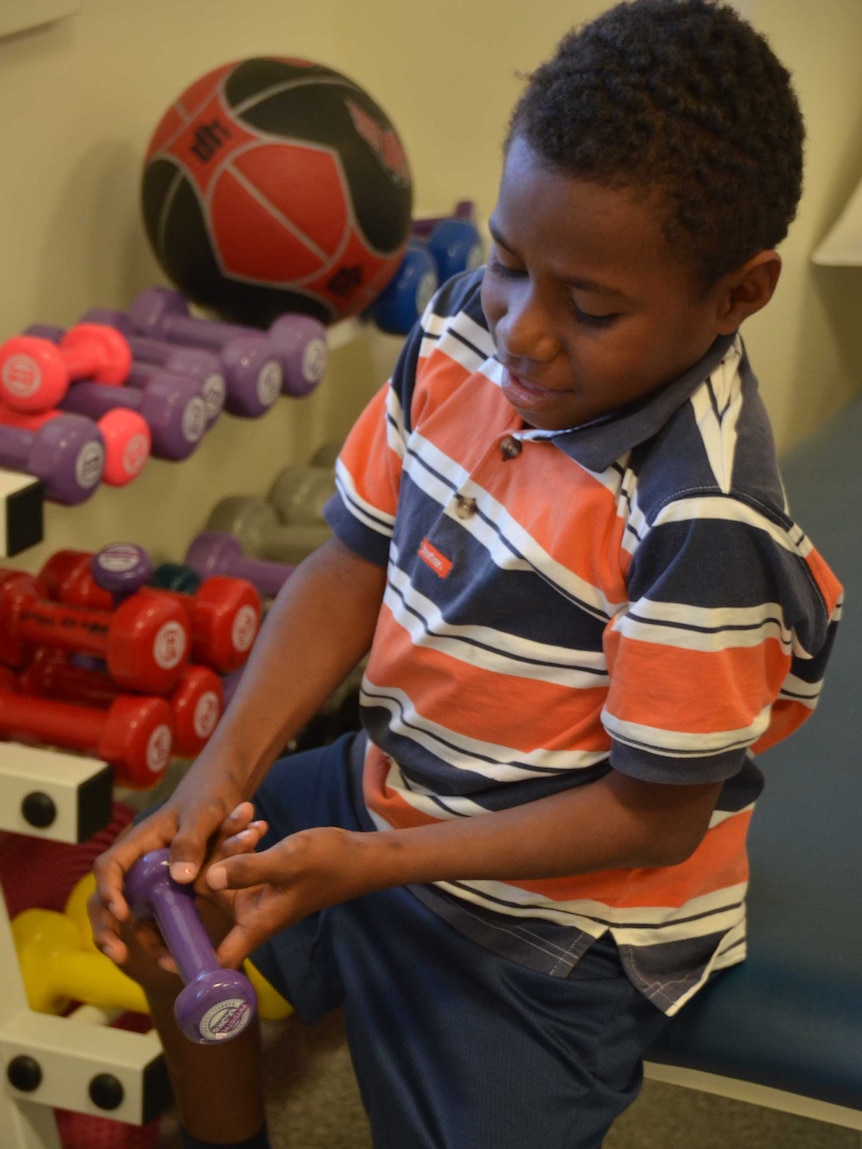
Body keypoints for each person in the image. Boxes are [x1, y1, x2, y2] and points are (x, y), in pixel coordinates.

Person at [90, 2, 843, 1147]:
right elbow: (349, 563)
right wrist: (216, 775)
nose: (523, 334)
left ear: (738, 293)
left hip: (555, 923)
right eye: (505, 261)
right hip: (389, 794)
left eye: (589, 308)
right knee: (167, 890)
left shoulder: (703, 519)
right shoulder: (460, 332)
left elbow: (649, 819)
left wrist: (378, 864)